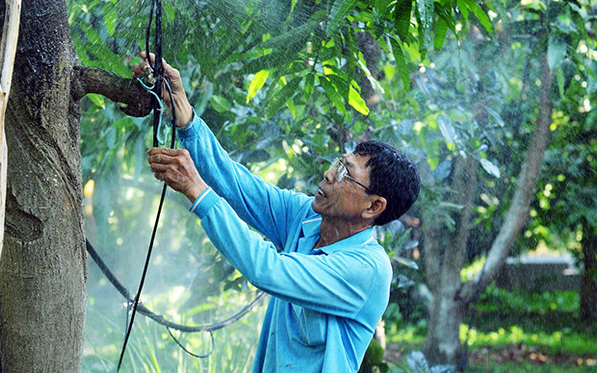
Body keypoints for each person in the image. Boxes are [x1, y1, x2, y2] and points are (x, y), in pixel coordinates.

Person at [135, 53, 420, 372]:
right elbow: (236, 185)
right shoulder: (309, 218)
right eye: (337, 163)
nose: (329, 174)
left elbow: (267, 268)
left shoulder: (367, 269)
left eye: (345, 174)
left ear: (374, 206)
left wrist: (197, 190)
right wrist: (184, 115)